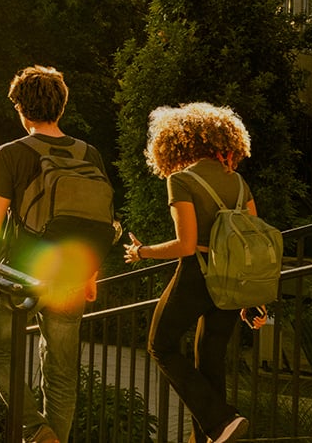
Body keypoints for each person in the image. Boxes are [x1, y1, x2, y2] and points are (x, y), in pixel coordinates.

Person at [0, 65, 108, 443]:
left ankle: (34, 429)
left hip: (23, 274)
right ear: (61, 107)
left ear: (20, 108)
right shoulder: (90, 154)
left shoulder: (10, 154)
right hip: (72, 276)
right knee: (62, 374)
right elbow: (94, 219)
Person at [122, 102, 268, 443]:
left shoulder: (181, 180)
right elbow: (252, 243)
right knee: (210, 359)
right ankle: (216, 432)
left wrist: (141, 252)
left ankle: (219, 420)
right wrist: (252, 301)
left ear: (177, 144)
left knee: (160, 345)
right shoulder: (240, 182)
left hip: (198, 275)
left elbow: (186, 245)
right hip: (232, 279)